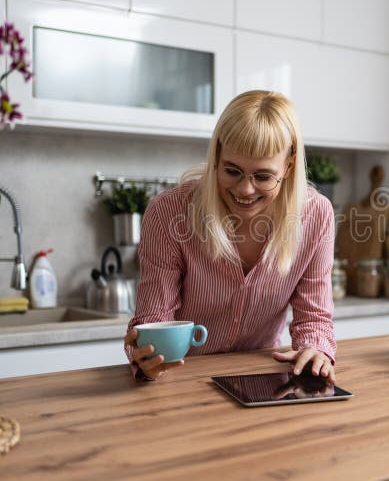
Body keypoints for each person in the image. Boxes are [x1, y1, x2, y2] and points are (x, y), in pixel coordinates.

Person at [123, 90, 336, 383]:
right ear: (217, 156)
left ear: (288, 166)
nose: (245, 189)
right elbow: (154, 320)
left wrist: (315, 349)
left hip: (261, 381)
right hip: (184, 381)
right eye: (232, 171)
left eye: (262, 176)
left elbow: (314, 318)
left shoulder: (316, 216)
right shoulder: (169, 213)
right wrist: (146, 355)